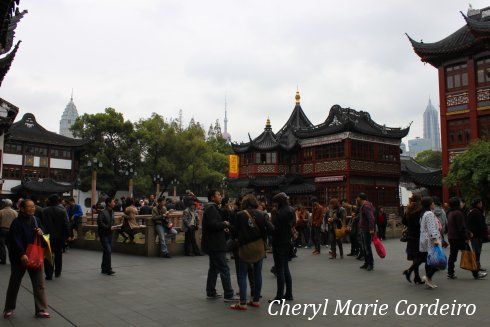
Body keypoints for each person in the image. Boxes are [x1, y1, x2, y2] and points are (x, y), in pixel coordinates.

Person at [3, 199, 50, 319]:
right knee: (14, 283)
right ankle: (9, 308)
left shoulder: (36, 220)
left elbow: (46, 235)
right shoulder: (16, 222)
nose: (32, 208)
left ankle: (41, 309)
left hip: (35, 256)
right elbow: (14, 240)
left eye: (33, 206)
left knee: (39, 284)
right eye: (29, 207)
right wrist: (22, 254)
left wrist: (41, 232)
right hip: (20, 258)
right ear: (22, 209)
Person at [230, 194, 272, 310]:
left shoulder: (239, 215)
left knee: (242, 274)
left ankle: (242, 302)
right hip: (259, 246)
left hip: (245, 247)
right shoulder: (262, 214)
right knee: (257, 274)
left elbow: (235, 232)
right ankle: (256, 300)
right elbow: (269, 229)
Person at [201, 189, 237, 302]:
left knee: (214, 268)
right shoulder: (211, 208)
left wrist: (222, 227)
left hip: (213, 243)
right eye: (218, 195)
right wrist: (224, 224)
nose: (220, 196)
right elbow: (213, 225)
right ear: (212, 197)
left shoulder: (211, 207)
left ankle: (211, 291)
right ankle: (229, 294)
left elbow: (213, 225)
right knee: (224, 268)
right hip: (216, 244)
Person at [446, 197, 487, 280]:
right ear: (457, 204)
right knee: (469, 255)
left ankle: (450, 273)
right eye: (460, 202)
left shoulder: (450, 212)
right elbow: (461, 227)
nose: (462, 204)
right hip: (459, 238)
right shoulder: (458, 213)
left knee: (452, 255)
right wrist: (466, 236)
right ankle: (476, 274)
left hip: (451, 237)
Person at [269, 192, 294, 303]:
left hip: (279, 243)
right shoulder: (291, 210)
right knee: (286, 269)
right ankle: (288, 293)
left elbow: (276, 231)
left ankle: (279, 296)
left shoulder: (280, 213)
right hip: (288, 241)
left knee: (280, 270)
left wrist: (269, 225)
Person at [41, 195, 70, 280]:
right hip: (59, 237)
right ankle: (57, 272)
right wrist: (67, 236)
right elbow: (66, 224)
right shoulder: (63, 211)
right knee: (58, 254)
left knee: (48, 255)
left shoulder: (44, 211)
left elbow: (42, 224)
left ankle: (49, 274)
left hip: (47, 236)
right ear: (58, 201)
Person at [419, 196, 442, 289]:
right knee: (436, 261)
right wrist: (436, 239)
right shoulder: (429, 214)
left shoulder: (423, 213)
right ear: (429, 204)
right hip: (431, 241)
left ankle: (429, 279)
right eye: (432, 203)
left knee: (429, 260)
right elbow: (431, 228)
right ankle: (428, 278)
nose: (434, 204)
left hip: (425, 239)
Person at [402, 194, 423, 284]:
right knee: (422, 256)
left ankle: (416, 277)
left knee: (415, 256)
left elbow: (404, 221)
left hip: (411, 236)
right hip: (419, 236)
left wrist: (409, 226)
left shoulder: (408, 209)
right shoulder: (421, 210)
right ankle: (410, 271)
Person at [466, 198, 488, 273]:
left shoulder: (475, 211)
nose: (481, 205)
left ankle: (478, 266)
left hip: (477, 235)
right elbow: (478, 224)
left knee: (477, 251)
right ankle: (476, 267)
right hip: (476, 235)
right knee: (476, 251)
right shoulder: (475, 212)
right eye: (481, 203)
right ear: (478, 204)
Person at [97, 197, 116, 275]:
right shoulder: (102, 212)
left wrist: (115, 226)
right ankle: (108, 269)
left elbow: (113, 221)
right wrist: (108, 227)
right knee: (108, 251)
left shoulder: (112, 212)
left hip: (110, 234)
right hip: (104, 234)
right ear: (109, 203)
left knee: (106, 251)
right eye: (113, 202)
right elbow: (100, 222)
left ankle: (104, 268)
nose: (114, 203)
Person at [357, 193, 375, 271]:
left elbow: (371, 218)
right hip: (363, 228)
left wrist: (371, 229)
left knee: (367, 247)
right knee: (364, 247)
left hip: (366, 229)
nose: (356, 199)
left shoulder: (366, 206)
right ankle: (366, 262)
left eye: (357, 198)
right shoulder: (363, 205)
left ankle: (370, 264)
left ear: (360, 198)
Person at [0, 199, 18, 265]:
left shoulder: (1, 212)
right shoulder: (15, 212)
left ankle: (3, 260)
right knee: (10, 246)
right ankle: (12, 259)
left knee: (2, 246)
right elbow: (17, 222)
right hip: (11, 231)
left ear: (4, 204)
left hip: (2, 230)